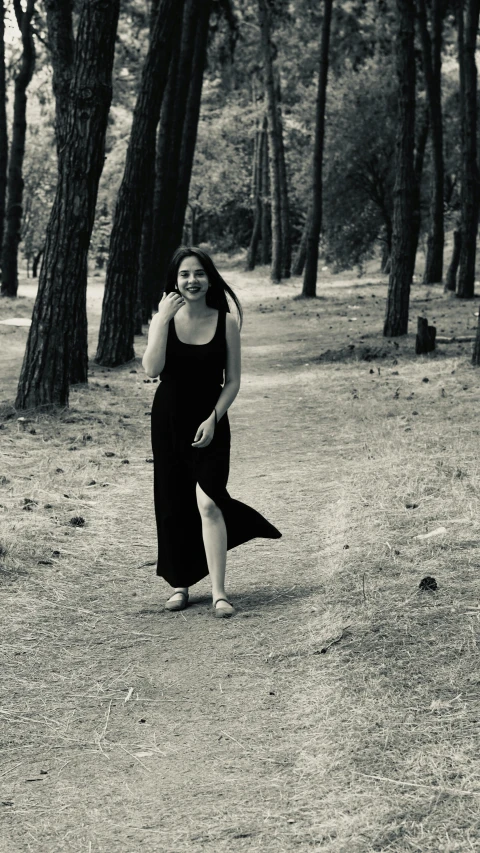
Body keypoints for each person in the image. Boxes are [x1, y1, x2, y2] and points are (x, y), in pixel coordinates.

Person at [142, 247, 281, 618]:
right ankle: (180, 585)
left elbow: (233, 381)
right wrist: (159, 321)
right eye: (185, 274)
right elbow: (151, 369)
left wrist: (214, 418)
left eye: (199, 273)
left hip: (211, 422)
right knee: (173, 502)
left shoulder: (226, 322)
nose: (192, 281)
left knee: (209, 502)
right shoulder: (165, 321)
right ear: (174, 280)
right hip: (169, 420)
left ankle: (219, 593)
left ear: (210, 278)